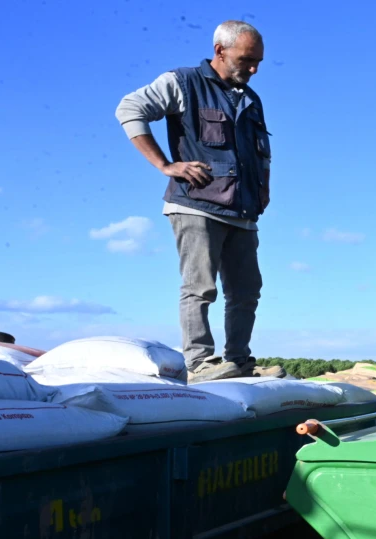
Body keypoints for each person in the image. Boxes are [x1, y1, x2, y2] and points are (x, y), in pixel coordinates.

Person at [116, 20, 282, 382]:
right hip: (196, 203)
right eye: (247, 60)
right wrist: (165, 164)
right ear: (220, 51)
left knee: (247, 292)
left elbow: (262, 154)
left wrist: (263, 188)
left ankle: (238, 361)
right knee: (200, 287)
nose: (253, 69)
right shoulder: (183, 82)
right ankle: (200, 363)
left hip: (242, 211)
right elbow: (129, 109)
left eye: (259, 62)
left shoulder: (252, 101)